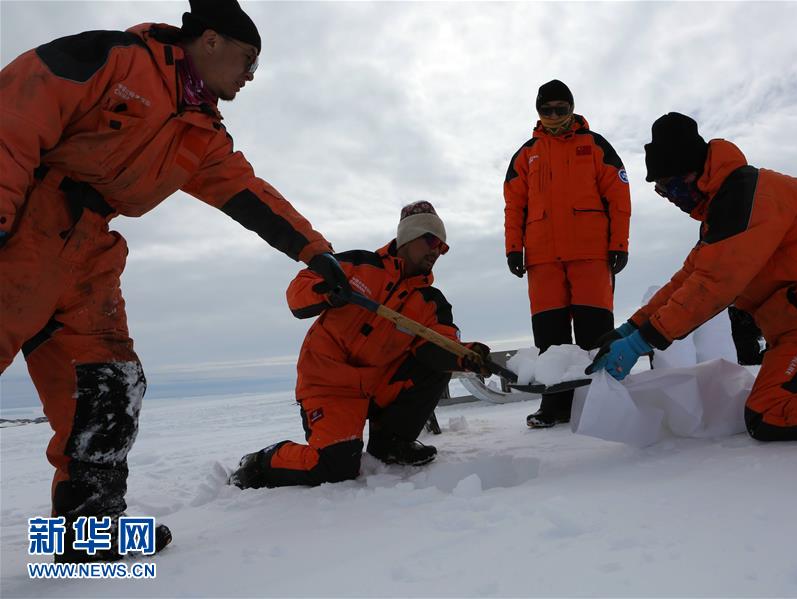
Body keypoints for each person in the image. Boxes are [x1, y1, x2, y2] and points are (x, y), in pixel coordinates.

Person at [0, 0, 350, 561]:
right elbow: (16, 111)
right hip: (24, 224)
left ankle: (85, 536)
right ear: (209, 41)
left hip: (90, 253)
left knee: (111, 383)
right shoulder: (115, 58)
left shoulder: (202, 132)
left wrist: (317, 254)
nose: (251, 75)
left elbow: (249, 194)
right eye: (247, 58)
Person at [587, 112, 797, 441]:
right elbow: (688, 278)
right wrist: (630, 328)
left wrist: (641, 342)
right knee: (785, 397)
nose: (671, 199)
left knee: (769, 409)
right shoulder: (727, 208)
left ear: (691, 172)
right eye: (661, 192)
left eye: (670, 186)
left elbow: (711, 286)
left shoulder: (747, 199)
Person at [229, 202, 491, 488]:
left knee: (435, 365)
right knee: (335, 468)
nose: (436, 251)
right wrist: (326, 291)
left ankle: (391, 444)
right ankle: (263, 461)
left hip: (378, 386)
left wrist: (467, 355)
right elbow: (297, 293)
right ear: (408, 237)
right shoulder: (358, 265)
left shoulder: (432, 302)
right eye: (431, 240)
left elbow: (440, 344)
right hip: (329, 383)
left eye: (442, 247)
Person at [504, 80, 631, 428]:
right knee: (550, 340)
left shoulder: (595, 146)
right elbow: (514, 205)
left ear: (573, 109)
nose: (554, 116)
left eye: (562, 109)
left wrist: (619, 243)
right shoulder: (525, 153)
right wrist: (513, 247)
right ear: (538, 112)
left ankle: (600, 403)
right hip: (542, 259)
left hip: (591, 254)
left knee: (595, 335)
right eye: (547, 110)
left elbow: (619, 197)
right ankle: (556, 406)